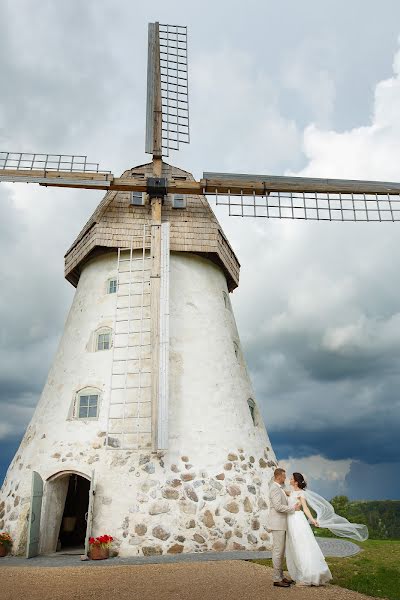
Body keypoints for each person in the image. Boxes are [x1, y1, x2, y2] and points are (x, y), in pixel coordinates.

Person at [285, 472, 332, 586]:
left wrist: (312, 520)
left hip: (297, 520)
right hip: (290, 520)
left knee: (301, 545)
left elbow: (305, 508)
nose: (289, 480)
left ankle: (306, 576)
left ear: (296, 482)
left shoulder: (301, 493)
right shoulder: (290, 492)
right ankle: (299, 573)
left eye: (291, 479)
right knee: (294, 546)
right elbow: (279, 490)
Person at [266, 468, 301, 588]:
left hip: (281, 524)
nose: (285, 478)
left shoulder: (279, 488)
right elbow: (278, 507)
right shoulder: (274, 488)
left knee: (280, 552)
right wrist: (293, 509)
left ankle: (281, 576)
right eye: (284, 476)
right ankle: (276, 579)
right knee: (277, 551)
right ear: (279, 476)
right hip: (277, 524)